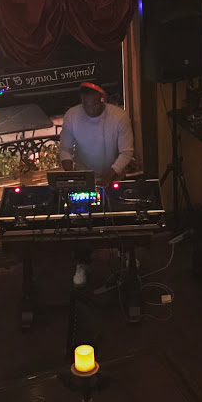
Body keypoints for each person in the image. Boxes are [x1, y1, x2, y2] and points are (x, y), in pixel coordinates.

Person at [59, 82, 134, 287]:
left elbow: (126, 152)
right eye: (86, 104)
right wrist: (71, 175)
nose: (90, 109)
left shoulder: (119, 116)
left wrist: (109, 176)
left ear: (103, 99)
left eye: (94, 104)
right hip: (85, 177)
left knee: (120, 219)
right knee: (82, 222)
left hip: (114, 175)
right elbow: (65, 149)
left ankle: (125, 255)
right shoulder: (72, 116)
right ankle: (82, 263)